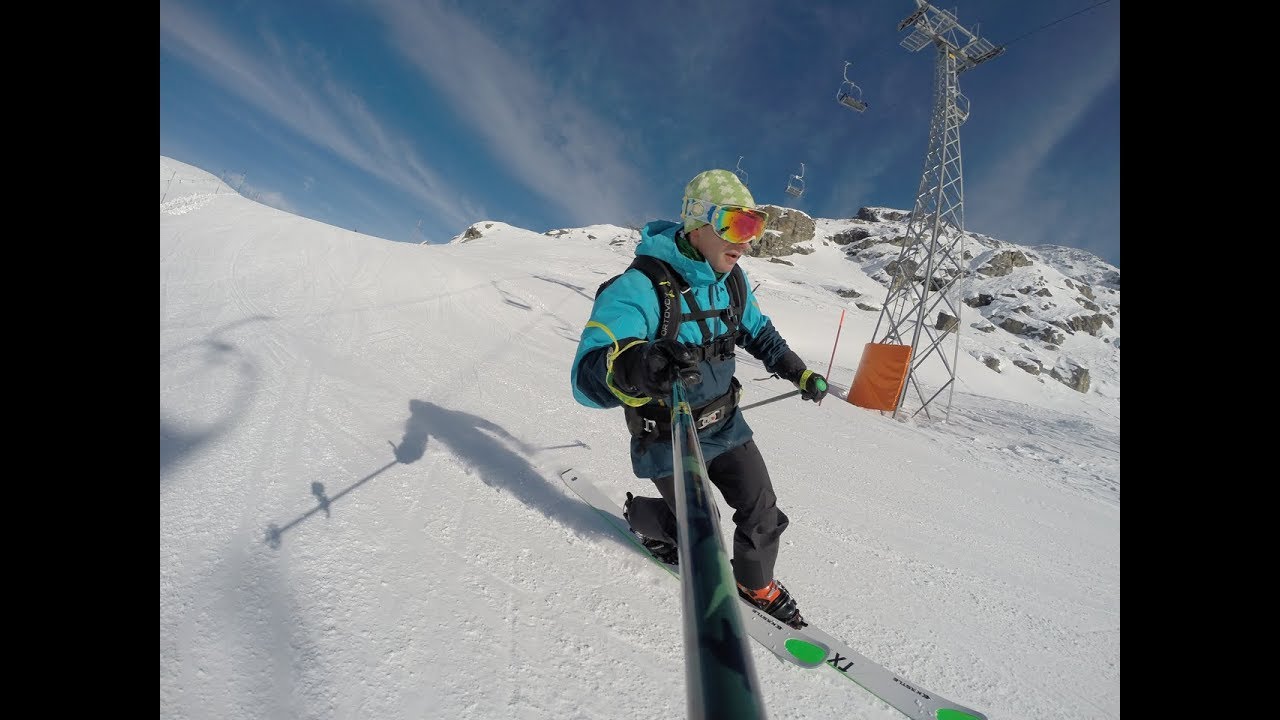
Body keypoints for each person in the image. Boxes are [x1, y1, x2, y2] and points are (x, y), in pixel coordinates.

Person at [570, 169, 829, 629]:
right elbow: (586, 375)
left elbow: (759, 333)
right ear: (697, 223)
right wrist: (640, 365)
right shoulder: (641, 287)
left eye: (756, 226)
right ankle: (646, 519)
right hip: (667, 435)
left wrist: (797, 372)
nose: (747, 241)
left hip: (724, 422)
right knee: (699, 529)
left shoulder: (732, 282)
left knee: (761, 509)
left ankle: (755, 584)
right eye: (737, 225)